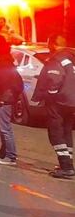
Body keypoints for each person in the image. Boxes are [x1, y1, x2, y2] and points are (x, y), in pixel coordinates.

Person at [32, 34, 75, 179]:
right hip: (71, 102)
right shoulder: (72, 58)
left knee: (56, 132)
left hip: (58, 102)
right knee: (66, 131)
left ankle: (66, 167)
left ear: (53, 44)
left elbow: (54, 78)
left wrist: (50, 94)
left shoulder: (57, 59)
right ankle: (68, 163)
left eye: (49, 43)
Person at [0, 34, 24, 166]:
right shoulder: (4, 59)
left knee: (5, 129)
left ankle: (11, 156)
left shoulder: (3, 61)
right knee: (2, 128)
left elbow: (1, 80)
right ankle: (4, 154)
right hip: (3, 96)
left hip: (4, 98)